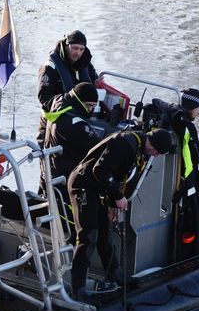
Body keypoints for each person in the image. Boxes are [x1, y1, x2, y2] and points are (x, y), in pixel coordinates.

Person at [67, 128, 173, 301]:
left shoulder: (140, 149)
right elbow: (99, 170)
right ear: (153, 145)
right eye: (159, 152)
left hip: (98, 188)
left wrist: (112, 204)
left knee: (104, 235)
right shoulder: (125, 143)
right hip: (83, 185)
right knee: (89, 236)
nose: (158, 156)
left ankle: (115, 275)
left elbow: (118, 177)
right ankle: (78, 288)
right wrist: (117, 196)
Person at [145, 88, 199, 261]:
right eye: (198, 109)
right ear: (192, 107)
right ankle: (190, 257)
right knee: (193, 223)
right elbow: (192, 159)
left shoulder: (171, 118)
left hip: (178, 181)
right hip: (186, 185)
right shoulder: (186, 126)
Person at [37, 30, 99, 148]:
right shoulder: (49, 67)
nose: (78, 53)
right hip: (53, 122)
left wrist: (97, 83)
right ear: (66, 46)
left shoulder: (85, 64)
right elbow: (44, 97)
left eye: (81, 49)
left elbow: (92, 82)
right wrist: (66, 105)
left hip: (78, 119)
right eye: (74, 48)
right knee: (50, 159)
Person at [39, 82, 101, 198]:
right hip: (65, 178)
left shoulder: (57, 101)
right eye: (89, 105)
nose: (90, 110)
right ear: (78, 100)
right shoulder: (74, 123)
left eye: (93, 107)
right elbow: (97, 146)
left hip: (49, 170)